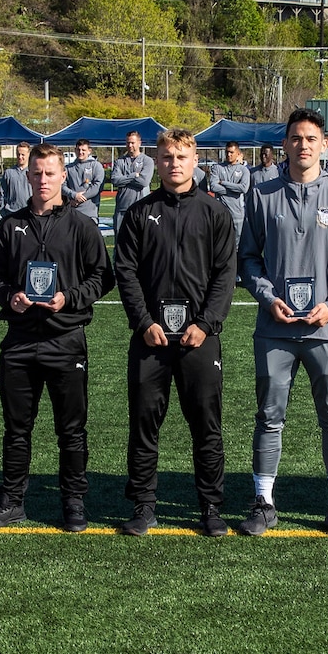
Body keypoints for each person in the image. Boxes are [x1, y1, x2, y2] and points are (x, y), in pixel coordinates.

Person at [238, 108, 328, 537]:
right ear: (286, 144)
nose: (303, 145)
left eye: (311, 138)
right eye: (295, 138)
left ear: (323, 144)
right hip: (275, 327)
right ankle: (263, 501)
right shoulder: (261, 194)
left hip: (326, 328)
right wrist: (267, 296)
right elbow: (248, 259)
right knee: (269, 414)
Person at [0, 143, 113, 531]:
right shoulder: (11, 225)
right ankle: (11, 500)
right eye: (37, 173)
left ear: (63, 176)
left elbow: (103, 277)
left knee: (71, 429)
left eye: (50, 173)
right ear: (28, 176)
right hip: (20, 341)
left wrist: (68, 298)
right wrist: (11, 296)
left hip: (66, 339)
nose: (43, 179)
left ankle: (73, 502)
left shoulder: (81, 225)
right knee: (16, 428)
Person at [115, 128, 236, 536]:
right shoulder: (139, 212)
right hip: (150, 339)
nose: (174, 163)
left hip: (200, 339)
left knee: (206, 423)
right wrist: (144, 321)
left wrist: (205, 324)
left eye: (181, 156)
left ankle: (210, 506)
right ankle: (144, 505)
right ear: (157, 160)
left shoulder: (214, 212)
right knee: (145, 422)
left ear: (195, 158)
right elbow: (126, 272)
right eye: (166, 157)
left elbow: (225, 274)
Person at [110, 130, 155, 234]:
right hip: (122, 208)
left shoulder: (147, 161)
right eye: (128, 142)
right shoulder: (119, 161)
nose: (130, 145)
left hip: (141, 208)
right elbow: (115, 180)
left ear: (139, 143)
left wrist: (124, 179)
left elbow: (144, 182)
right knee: (120, 241)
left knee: (141, 242)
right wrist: (134, 175)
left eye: (132, 142)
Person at [207, 140, 252, 239]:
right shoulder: (217, 168)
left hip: (237, 214)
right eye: (227, 152)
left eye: (231, 152)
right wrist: (234, 190)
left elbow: (243, 188)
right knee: (220, 243)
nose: (228, 154)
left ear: (238, 154)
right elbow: (213, 186)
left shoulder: (244, 170)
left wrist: (223, 183)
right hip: (221, 213)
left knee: (237, 246)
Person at [65, 138, 105, 226]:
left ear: (89, 151)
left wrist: (80, 198)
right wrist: (74, 195)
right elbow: (62, 186)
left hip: (90, 214)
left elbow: (98, 186)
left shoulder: (96, 165)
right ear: (75, 150)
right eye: (78, 150)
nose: (81, 152)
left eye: (83, 150)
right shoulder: (68, 168)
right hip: (72, 212)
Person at [0, 140, 32, 217]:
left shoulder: (33, 172)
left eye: (23, 154)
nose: (20, 157)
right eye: (18, 154)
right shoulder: (9, 173)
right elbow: (2, 193)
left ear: (29, 154)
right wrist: (3, 211)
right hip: (11, 213)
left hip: (29, 213)